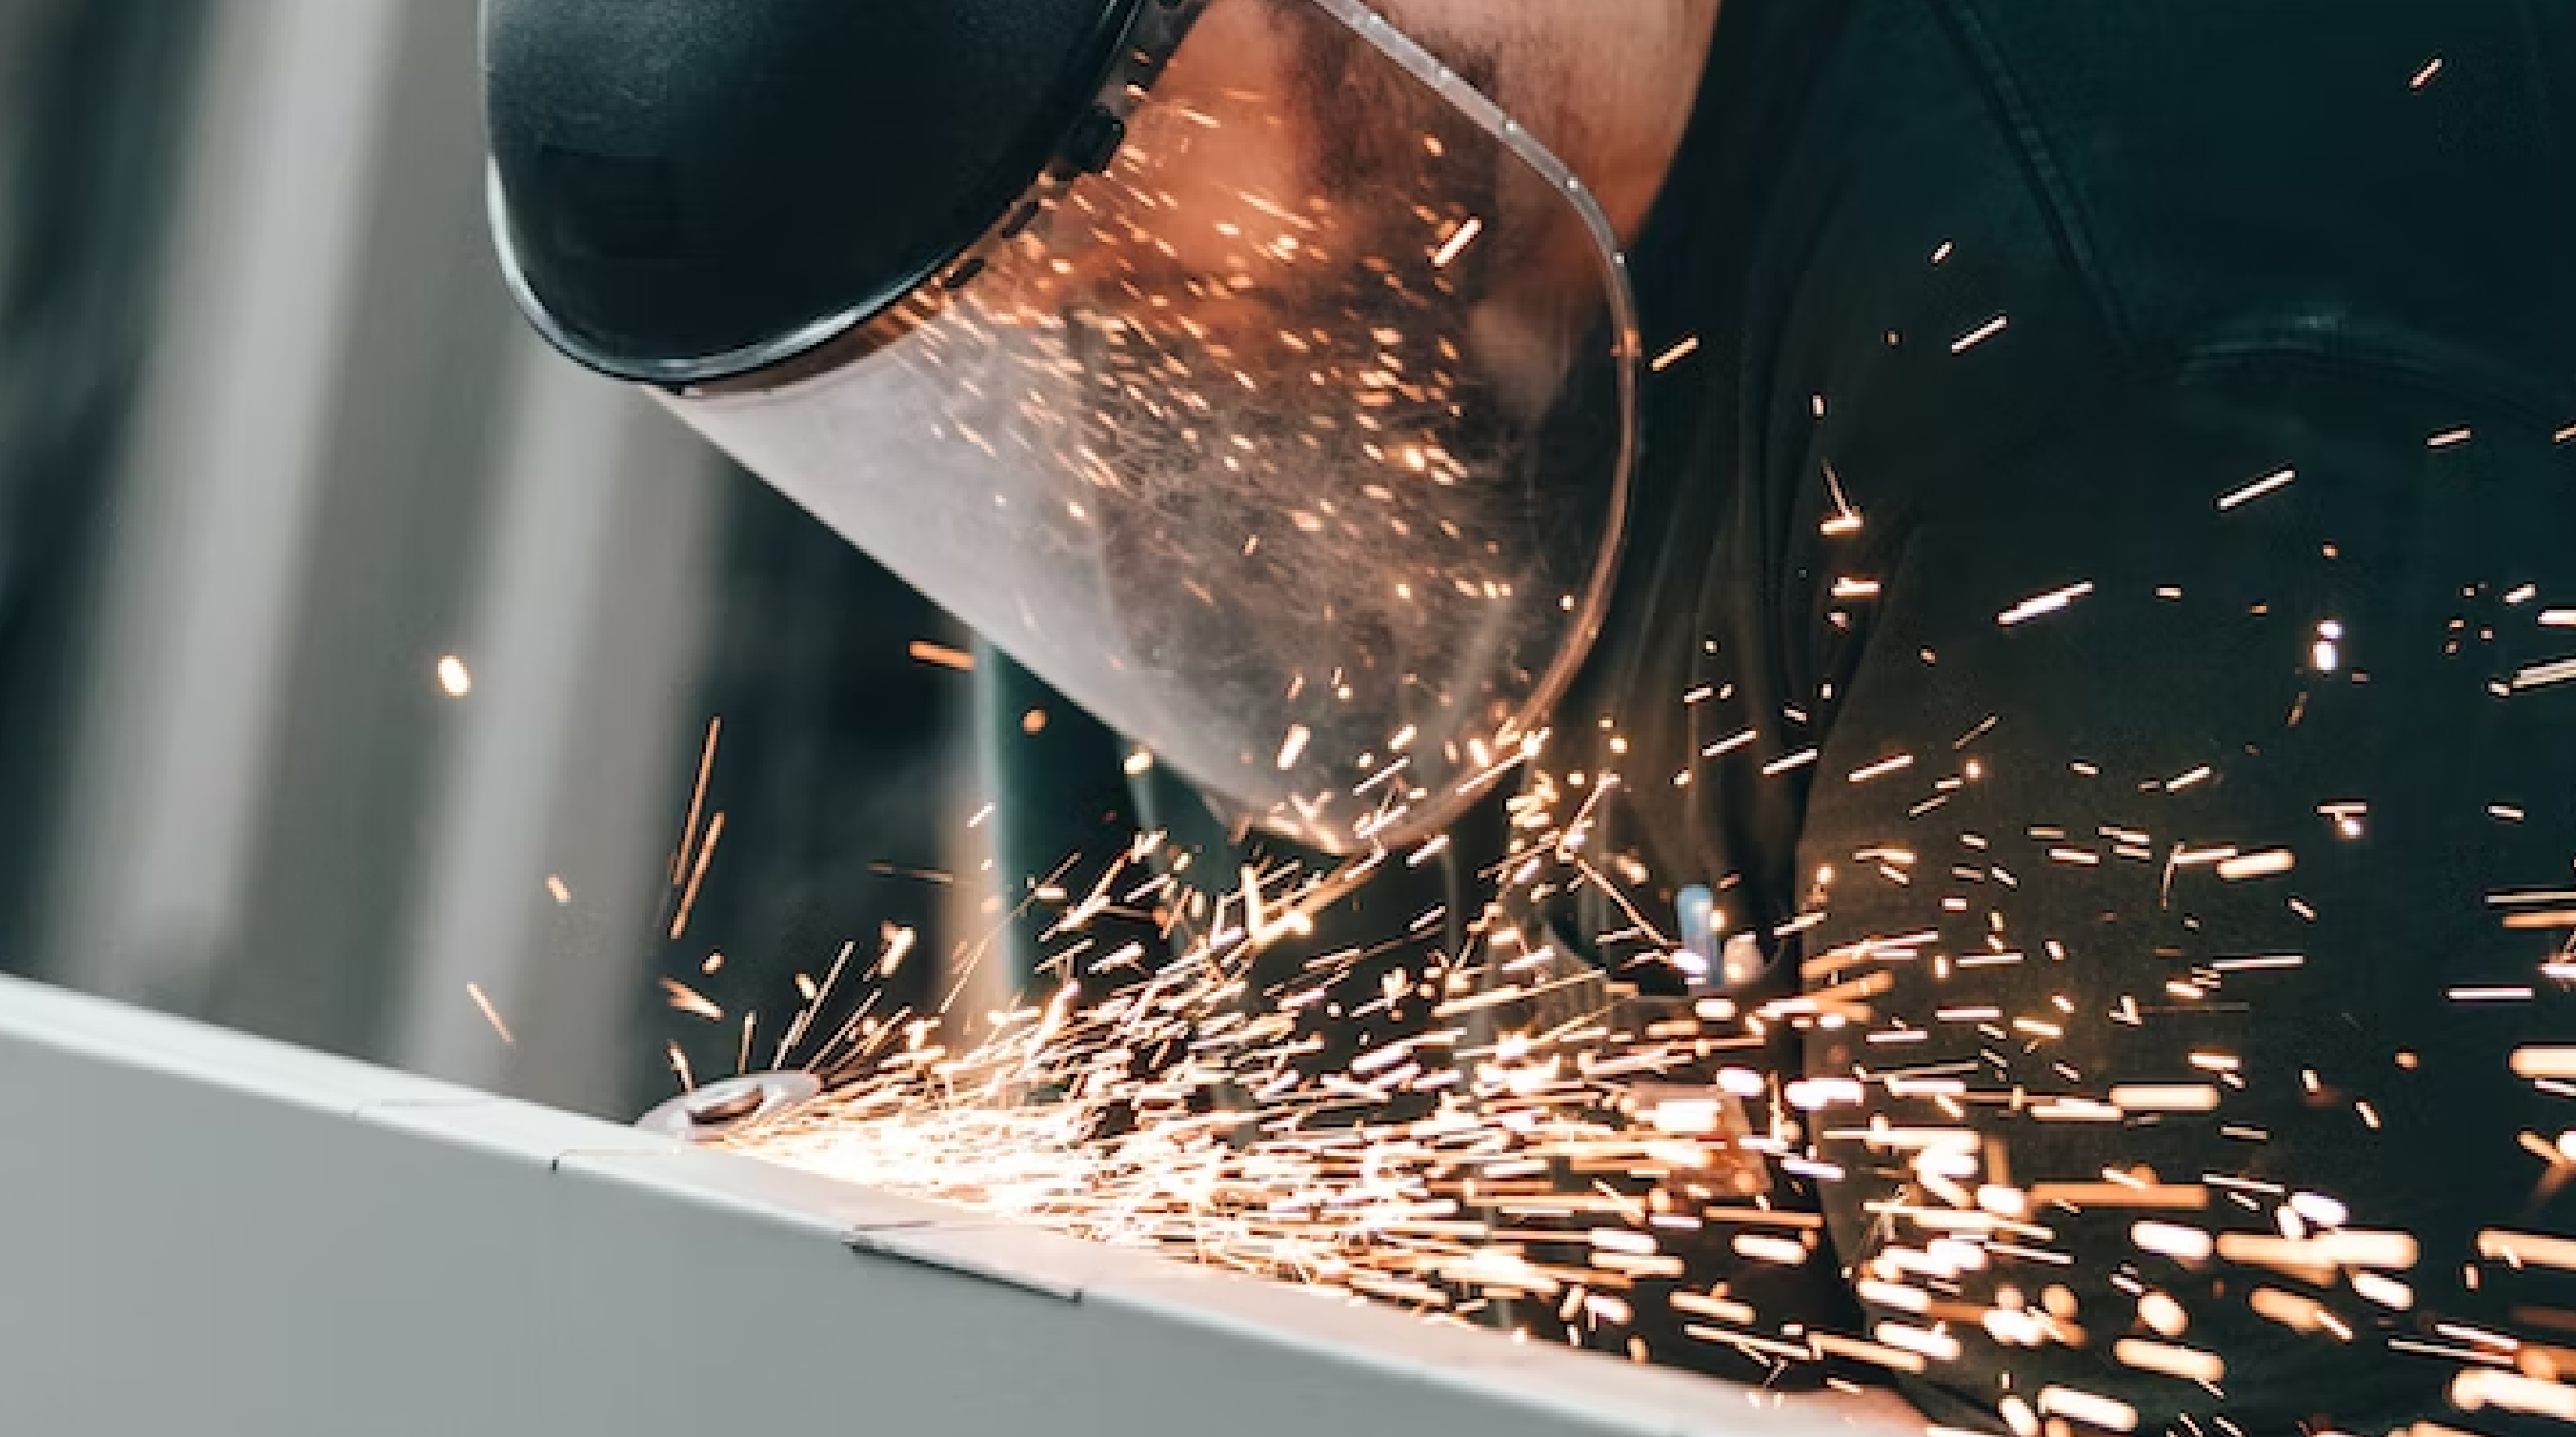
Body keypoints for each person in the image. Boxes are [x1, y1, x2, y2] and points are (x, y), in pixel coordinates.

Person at [483, 1, 2576, 1430]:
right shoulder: (1185, 325)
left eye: (1074, 257)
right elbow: (1216, 1183)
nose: (1069, 345)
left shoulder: (2151, 374)